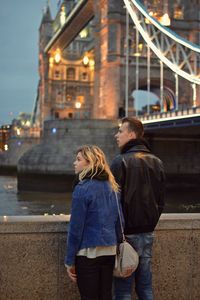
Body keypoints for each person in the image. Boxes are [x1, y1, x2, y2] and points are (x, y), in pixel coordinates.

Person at [111, 117, 165, 300]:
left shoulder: (119, 162)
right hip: (148, 233)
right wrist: (150, 224)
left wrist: (119, 234)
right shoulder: (157, 162)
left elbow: (114, 203)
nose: (116, 135)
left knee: (123, 291)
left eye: (120, 131)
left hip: (126, 235)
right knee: (146, 288)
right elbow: (161, 200)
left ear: (131, 134)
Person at [65, 145, 121, 300]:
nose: (74, 163)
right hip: (109, 250)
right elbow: (119, 220)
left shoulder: (82, 188)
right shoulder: (112, 186)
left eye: (78, 160)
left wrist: (69, 261)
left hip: (88, 254)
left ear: (90, 163)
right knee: (105, 296)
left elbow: (76, 228)